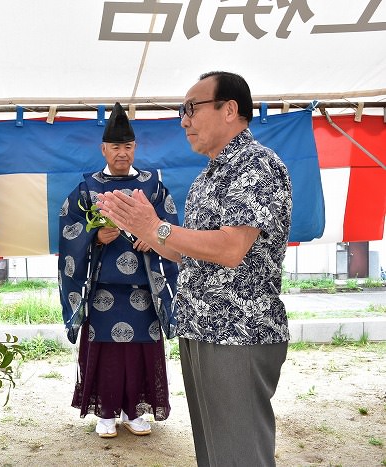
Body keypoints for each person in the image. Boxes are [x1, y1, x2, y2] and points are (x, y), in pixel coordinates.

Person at [97, 72, 292, 465]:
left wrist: (156, 227)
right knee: (214, 453)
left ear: (229, 110)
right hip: (201, 326)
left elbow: (232, 247)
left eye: (191, 108)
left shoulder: (256, 165)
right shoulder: (207, 177)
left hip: (240, 331)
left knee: (240, 455)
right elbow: (192, 256)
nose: (184, 120)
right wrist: (148, 235)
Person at [58, 102, 180, 438]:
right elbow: (68, 230)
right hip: (102, 290)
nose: (121, 153)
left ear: (135, 148)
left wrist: (154, 237)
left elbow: (171, 225)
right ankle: (106, 413)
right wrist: (94, 236)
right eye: (115, 146)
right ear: (104, 149)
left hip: (144, 289)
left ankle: (135, 411)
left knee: (141, 351)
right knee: (106, 352)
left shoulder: (153, 188)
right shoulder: (87, 190)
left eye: (127, 146)